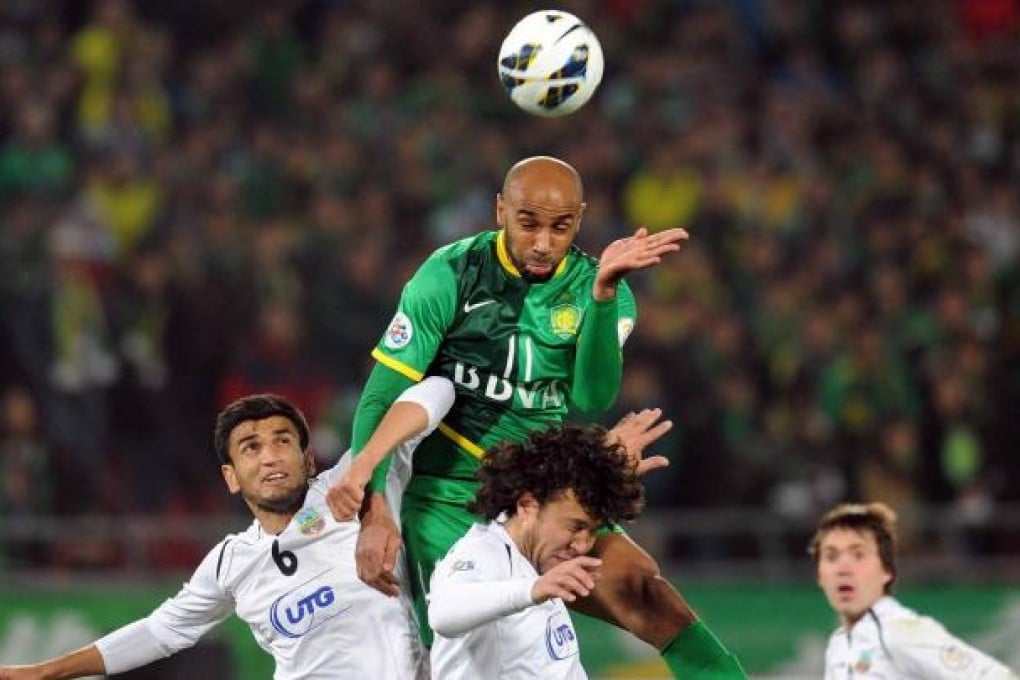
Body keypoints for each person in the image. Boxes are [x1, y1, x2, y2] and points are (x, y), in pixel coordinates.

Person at [333, 155, 745, 678]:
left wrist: (603, 297)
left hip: (542, 492)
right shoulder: (450, 274)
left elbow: (594, 395)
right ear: (500, 210)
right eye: (528, 223)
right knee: (463, 651)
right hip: (447, 496)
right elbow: (380, 397)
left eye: (561, 226)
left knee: (645, 592)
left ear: (580, 219)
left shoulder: (599, 286)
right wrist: (375, 509)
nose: (544, 243)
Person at [0, 378, 454, 680]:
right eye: (251, 448)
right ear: (231, 477)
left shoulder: (353, 486)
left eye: (282, 441)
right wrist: (42, 673)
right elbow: (159, 632)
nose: (270, 456)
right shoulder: (232, 562)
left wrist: (368, 463)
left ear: (308, 459)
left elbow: (439, 390)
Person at [428, 423, 645, 679]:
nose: (583, 545)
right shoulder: (485, 552)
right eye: (576, 527)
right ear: (527, 505)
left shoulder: (538, 564)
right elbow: (442, 613)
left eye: (593, 531)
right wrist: (533, 590)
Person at [810, 502, 1017, 679]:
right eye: (831, 557)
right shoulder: (838, 643)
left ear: (887, 571)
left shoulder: (898, 632)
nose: (843, 569)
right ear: (819, 576)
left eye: (858, 555)